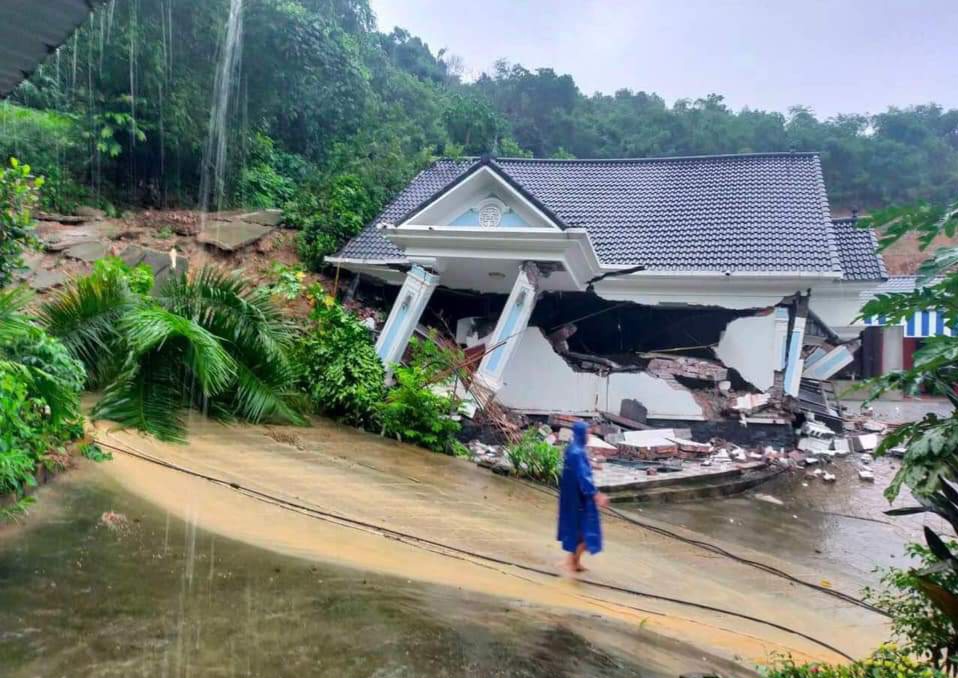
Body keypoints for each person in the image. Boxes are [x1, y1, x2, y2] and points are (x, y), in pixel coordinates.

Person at [557, 421, 609, 575]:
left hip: (571, 497)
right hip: (580, 498)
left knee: (578, 531)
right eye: (587, 433)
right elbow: (583, 477)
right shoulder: (577, 452)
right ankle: (571, 562)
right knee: (588, 532)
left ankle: (575, 562)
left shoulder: (573, 449)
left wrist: (591, 465)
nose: (589, 436)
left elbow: (578, 468)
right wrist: (596, 495)